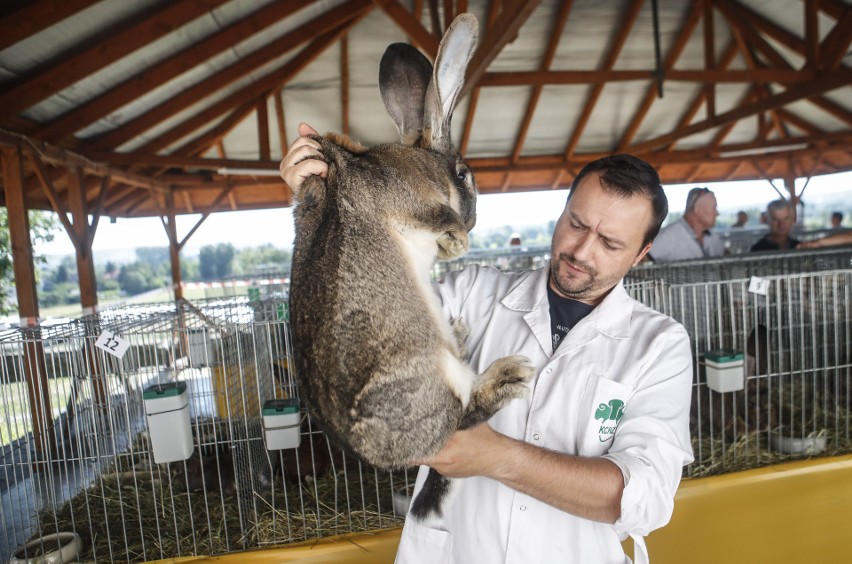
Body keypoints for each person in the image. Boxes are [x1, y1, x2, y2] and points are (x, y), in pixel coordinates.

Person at [281, 123, 693, 564]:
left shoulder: (659, 345)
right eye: (576, 224)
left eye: (610, 243)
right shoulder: (473, 294)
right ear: (563, 211)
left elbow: (643, 500)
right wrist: (320, 205)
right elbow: (362, 321)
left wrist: (498, 458)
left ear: (642, 253)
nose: (582, 251)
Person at [646, 187, 725, 262]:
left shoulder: (713, 237)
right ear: (698, 210)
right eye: (714, 208)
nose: (717, 213)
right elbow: (643, 260)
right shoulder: (668, 235)